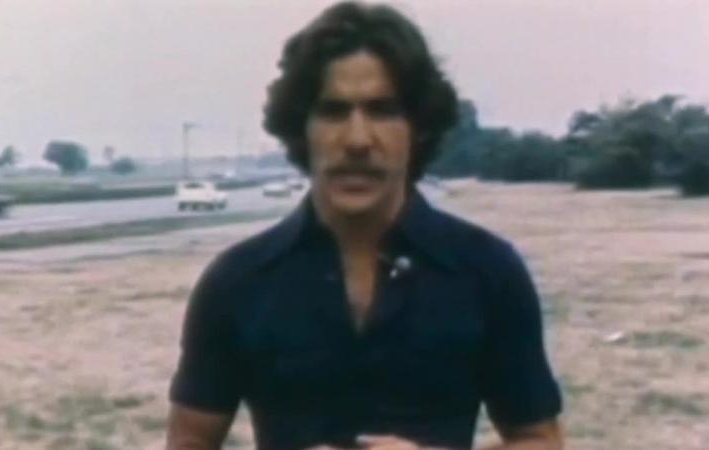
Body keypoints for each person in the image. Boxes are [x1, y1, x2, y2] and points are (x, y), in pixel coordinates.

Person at [165, 2, 563, 449]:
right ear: (301, 129)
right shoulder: (237, 281)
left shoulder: (488, 270)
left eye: (382, 110)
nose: (357, 139)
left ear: (418, 128)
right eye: (333, 111)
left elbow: (541, 440)